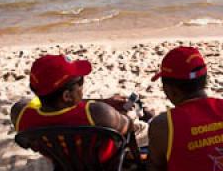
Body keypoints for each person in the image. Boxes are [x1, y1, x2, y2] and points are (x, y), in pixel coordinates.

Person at [10, 54, 147, 161]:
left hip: (62, 161)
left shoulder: (20, 114)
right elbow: (127, 126)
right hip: (101, 161)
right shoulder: (97, 113)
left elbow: (44, 106)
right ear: (67, 96)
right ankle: (134, 157)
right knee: (145, 122)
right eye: (80, 82)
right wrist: (130, 113)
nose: (82, 85)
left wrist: (105, 102)